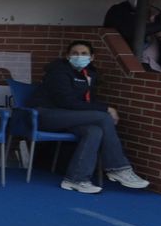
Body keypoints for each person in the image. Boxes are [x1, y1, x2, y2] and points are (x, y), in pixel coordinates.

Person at [30, 41, 151, 194]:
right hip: (46, 115)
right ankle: (118, 167)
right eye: (75, 53)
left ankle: (76, 179)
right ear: (67, 56)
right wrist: (106, 108)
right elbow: (66, 101)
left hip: (70, 117)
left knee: (94, 131)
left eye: (84, 54)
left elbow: (87, 102)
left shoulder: (90, 75)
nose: (79, 56)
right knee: (103, 117)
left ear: (92, 57)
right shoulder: (58, 71)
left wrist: (101, 109)